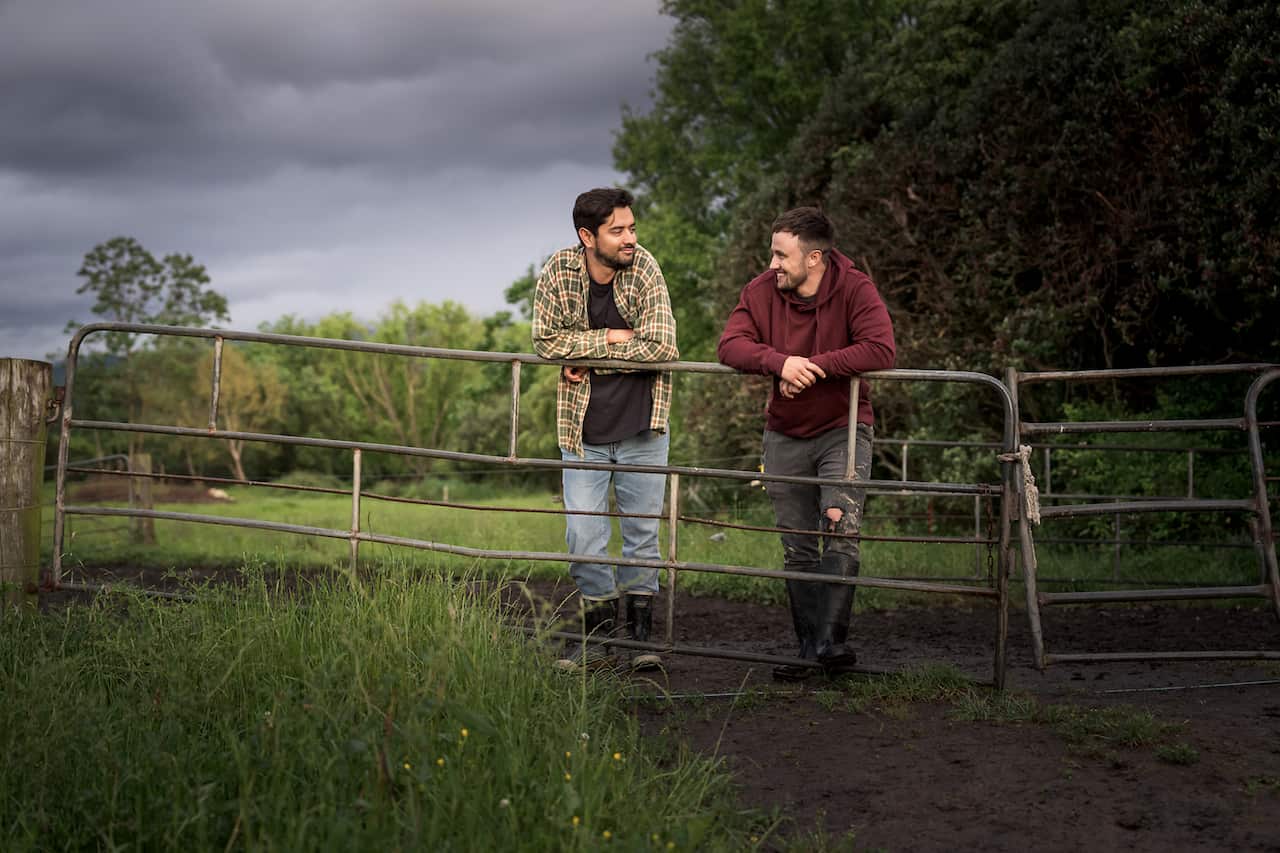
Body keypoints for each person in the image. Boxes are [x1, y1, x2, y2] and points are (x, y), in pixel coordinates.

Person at [717, 207, 895, 681]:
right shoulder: (760, 290)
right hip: (785, 432)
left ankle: (829, 645)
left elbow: (881, 347)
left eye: (781, 254)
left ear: (814, 257)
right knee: (796, 544)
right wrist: (780, 363)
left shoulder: (855, 287)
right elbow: (729, 345)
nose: (772, 262)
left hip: (843, 426)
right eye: (772, 252)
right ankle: (807, 650)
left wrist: (811, 367)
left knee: (840, 525)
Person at [532, 187, 679, 671]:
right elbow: (546, 340)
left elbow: (662, 348)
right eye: (618, 230)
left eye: (631, 227)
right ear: (587, 236)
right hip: (582, 431)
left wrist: (588, 357)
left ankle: (639, 643)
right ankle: (599, 636)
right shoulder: (558, 270)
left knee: (641, 537)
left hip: (643, 429)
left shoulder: (646, 269)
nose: (630, 238)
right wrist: (610, 339)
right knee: (582, 537)